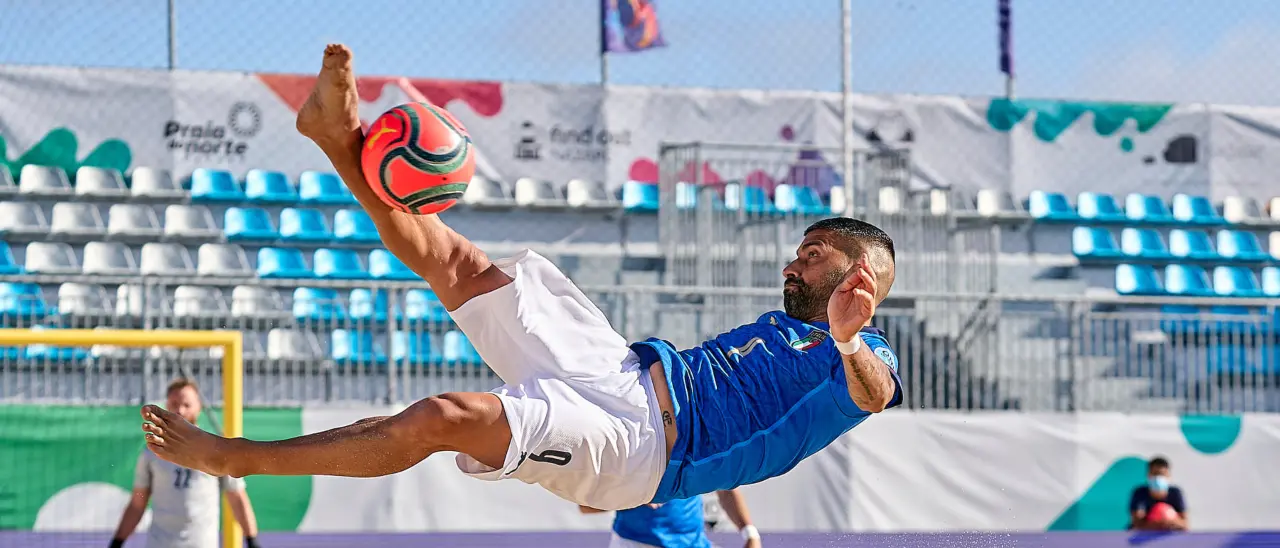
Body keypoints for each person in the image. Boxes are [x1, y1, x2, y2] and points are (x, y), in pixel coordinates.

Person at [137, 44, 902, 512]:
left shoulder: (862, 354)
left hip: (639, 451)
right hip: (625, 369)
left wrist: (847, 340)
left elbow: (875, 394)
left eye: (812, 253)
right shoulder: (787, 324)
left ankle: (234, 456)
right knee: (461, 263)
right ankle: (338, 139)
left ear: (860, 273)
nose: (793, 261)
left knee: (443, 415)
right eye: (800, 251)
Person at [112, 379, 262, 548]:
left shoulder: (215, 448)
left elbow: (236, 497)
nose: (180, 410)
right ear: (166, 406)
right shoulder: (152, 450)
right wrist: (117, 542)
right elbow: (137, 503)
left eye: (187, 405)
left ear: (199, 407)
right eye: (174, 404)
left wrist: (252, 541)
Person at [580, 489, 760, 548]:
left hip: (696, 543)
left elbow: (726, 490)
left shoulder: (700, 441)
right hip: (636, 543)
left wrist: (751, 534)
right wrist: (634, 497)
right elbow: (585, 506)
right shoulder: (630, 444)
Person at [1128, 456, 1188, 531]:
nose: (1158, 477)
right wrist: (1160, 524)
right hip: (1143, 535)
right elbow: (1137, 524)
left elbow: (1185, 524)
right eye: (1155, 474)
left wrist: (1171, 522)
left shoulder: (1175, 493)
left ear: (1168, 476)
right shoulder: (1139, 493)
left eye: (1162, 474)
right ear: (1148, 475)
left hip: (1169, 534)